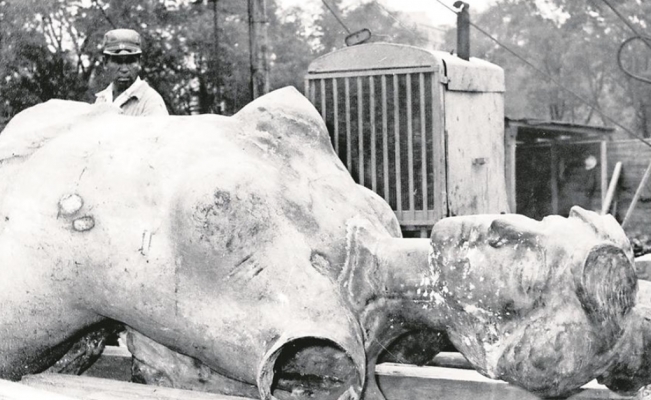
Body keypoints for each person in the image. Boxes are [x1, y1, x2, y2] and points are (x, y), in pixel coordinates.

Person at [95, 28, 168, 116]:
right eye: (117, 61)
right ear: (105, 63)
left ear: (139, 62)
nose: (124, 69)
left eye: (130, 61)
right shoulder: (101, 99)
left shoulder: (151, 101)